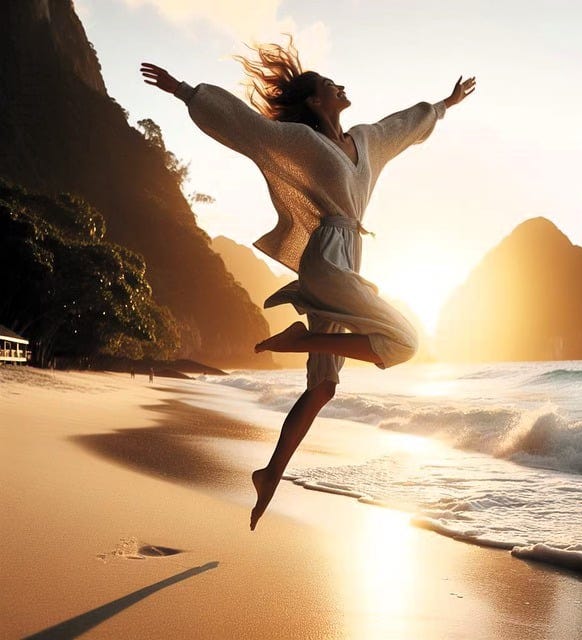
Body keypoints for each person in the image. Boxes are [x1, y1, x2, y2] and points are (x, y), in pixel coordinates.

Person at [140, 39, 475, 530]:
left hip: (349, 259)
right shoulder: (301, 139)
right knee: (406, 342)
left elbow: (402, 127)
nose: (339, 85)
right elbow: (248, 130)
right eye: (328, 84)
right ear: (317, 102)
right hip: (327, 258)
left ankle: (269, 474)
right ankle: (301, 340)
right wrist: (185, 91)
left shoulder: (365, 140)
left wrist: (444, 106)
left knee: (324, 388)